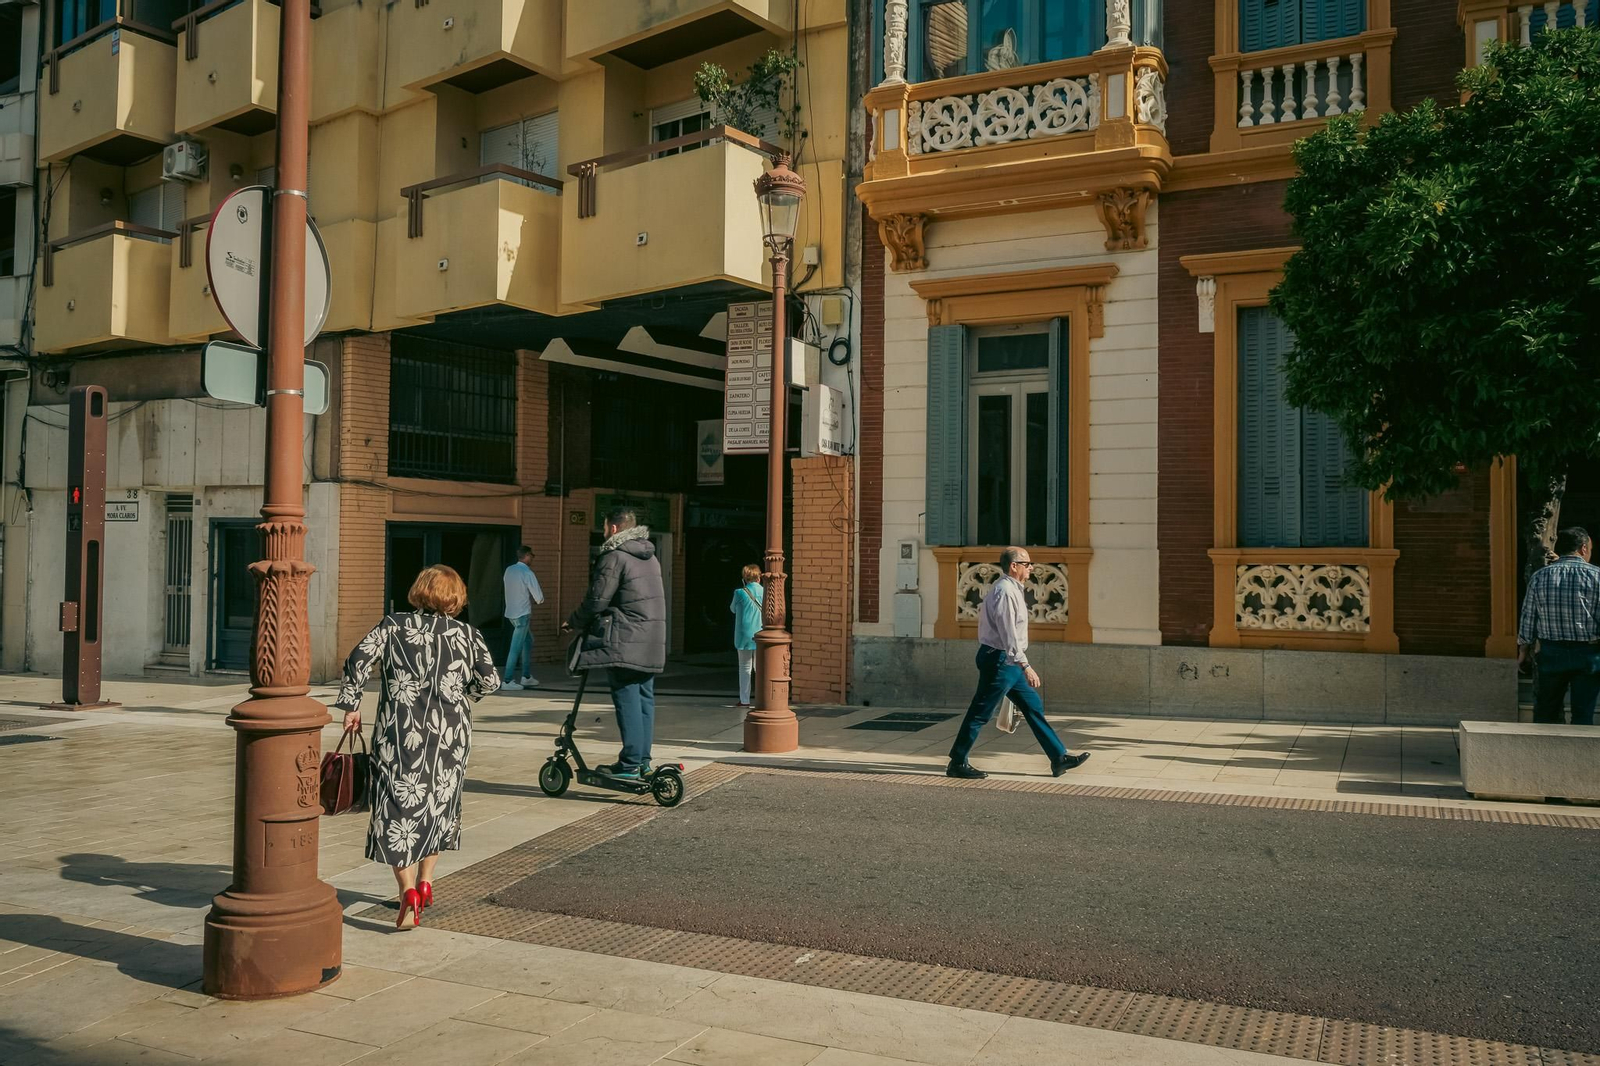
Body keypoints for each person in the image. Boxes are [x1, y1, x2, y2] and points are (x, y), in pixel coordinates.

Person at [334, 565, 501, 929]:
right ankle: (427, 882)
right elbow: (490, 680)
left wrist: (351, 705)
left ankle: (407, 891)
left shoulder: (394, 626)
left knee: (399, 808)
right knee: (440, 804)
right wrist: (462, 697)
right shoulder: (468, 634)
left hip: (400, 732)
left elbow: (358, 660)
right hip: (451, 735)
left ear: (419, 590)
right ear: (456, 597)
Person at [946, 547, 1090, 780]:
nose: (1031, 568)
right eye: (1027, 563)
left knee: (1033, 707)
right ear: (1014, 566)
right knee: (980, 712)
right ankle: (957, 762)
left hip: (1006, 659)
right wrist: (1026, 665)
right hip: (1002, 659)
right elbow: (1008, 633)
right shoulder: (1005, 591)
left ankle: (1058, 757)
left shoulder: (1013, 589)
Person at [564, 507, 667, 778]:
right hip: (652, 639)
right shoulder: (650, 557)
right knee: (645, 698)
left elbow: (597, 599)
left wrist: (574, 620)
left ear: (612, 528)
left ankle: (630, 763)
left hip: (626, 639)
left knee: (627, 698)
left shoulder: (614, 556)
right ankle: (642, 760)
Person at [1518, 526, 1600, 726]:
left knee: (1546, 710)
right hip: (1588, 653)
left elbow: (1529, 617)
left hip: (1551, 651)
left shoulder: (1540, 577)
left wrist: (1523, 650)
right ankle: (1578, 755)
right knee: (1583, 713)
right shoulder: (1598, 577)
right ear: (1583, 548)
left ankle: (1544, 754)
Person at [501, 545, 545, 691]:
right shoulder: (527, 572)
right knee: (516, 647)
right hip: (522, 614)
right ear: (526, 556)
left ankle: (526, 676)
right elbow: (538, 597)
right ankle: (507, 680)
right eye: (531, 555)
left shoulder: (509, 570)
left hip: (511, 612)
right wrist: (540, 600)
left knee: (528, 640)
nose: (532, 558)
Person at [730, 564, 764, 708]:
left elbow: (732, 609)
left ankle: (744, 699)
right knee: (760, 667)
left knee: (744, 667)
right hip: (761, 632)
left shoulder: (740, 592)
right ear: (759, 576)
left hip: (744, 634)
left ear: (745, 577)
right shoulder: (765, 591)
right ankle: (762, 699)